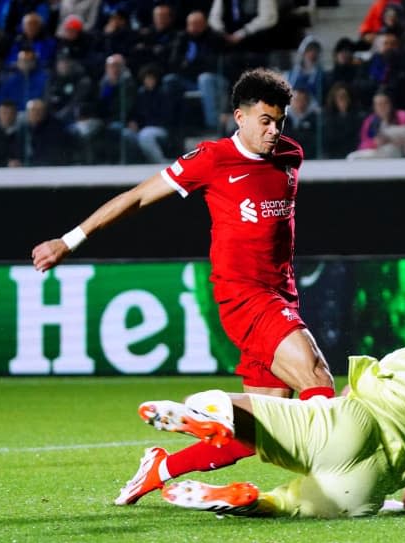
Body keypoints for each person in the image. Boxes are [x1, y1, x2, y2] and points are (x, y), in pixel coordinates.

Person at [30, 68, 337, 505]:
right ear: (240, 117)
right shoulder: (212, 159)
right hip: (245, 297)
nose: (273, 131)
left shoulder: (290, 155)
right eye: (265, 121)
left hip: (282, 295)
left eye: (280, 121)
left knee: (256, 435)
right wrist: (70, 240)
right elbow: (136, 197)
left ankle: (161, 467)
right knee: (317, 378)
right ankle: (335, 483)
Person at [137, 340, 405, 519]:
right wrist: (394, 500)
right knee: (286, 506)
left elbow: (357, 387)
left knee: (235, 408)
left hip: (352, 425)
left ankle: (213, 416)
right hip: (372, 481)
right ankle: (253, 502)